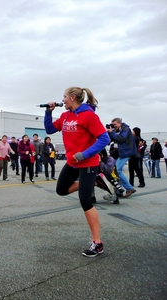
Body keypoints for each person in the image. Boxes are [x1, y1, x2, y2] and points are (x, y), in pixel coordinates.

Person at [44, 86, 110, 257]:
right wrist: (48, 112)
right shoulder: (65, 116)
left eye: (64, 96)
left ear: (72, 97)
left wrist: (85, 154)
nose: (62, 100)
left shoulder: (89, 115)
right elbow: (50, 129)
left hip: (87, 162)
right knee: (61, 190)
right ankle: (95, 181)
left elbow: (104, 138)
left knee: (85, 201)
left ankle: (97, 242)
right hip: (72, 162)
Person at [107, 118, 137, 197]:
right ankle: (119, 191)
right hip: (120, 153)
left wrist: (112, 132)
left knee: (117, 170)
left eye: (115, 124)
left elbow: (121, 138)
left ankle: (129, 188)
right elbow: (111, 140)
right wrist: (109, 132)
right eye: (113, 125)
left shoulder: (126, 129)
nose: (114, 126)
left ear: (120, 123)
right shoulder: (117, 130)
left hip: (126, 152)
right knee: (116, 171)